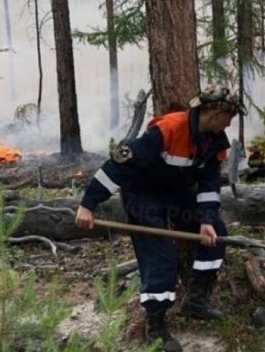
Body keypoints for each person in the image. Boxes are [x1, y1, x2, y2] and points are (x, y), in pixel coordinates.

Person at [74, 84, 246, 352]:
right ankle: (155, 324)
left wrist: (207, 221)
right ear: (215, 113)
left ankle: (195, 300)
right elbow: (120, 165)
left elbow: (210, 185)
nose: (231, 122)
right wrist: (88, 204)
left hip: (176, 194)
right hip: (143, 196)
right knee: (161, 258)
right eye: (230, 116)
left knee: (218, 235)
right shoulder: (167, 129)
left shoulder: (215, 141)